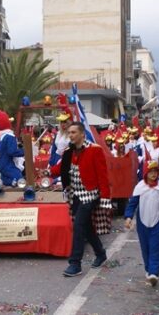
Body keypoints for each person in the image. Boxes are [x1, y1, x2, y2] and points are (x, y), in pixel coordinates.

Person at [50, 122, 110, 277]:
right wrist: (45, 171)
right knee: (87, 226)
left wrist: (105, 198)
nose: (70, 135)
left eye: (74, 132)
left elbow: (103, 176)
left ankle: (75, 263)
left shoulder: (95, 150)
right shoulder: (69, 151)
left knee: (78, 225)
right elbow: (60, 168)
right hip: (75, 194)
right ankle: (100, 253)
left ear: (82, 134)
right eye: (69, 132)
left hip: (91, 194)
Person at [125, 159, 159, 286]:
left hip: (158, 222)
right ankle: (148, 269)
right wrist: (128, 217)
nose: (154, 174)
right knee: (145, 247)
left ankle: (154, 273)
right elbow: (132, 203)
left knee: (155, 246)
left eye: (156, 171)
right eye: (151, 171)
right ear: (145, 173)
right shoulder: (140, 187)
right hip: (143, 222)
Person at [0, 110, 24, 186]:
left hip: (2, 165)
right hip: (8, 165)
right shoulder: (9, 136)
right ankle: (13, 183)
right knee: (19, 178)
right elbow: (11, 151)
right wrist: (24, 152)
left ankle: (10, 183)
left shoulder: (1, 138)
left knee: (5, 180)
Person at [49, 101, 72, 166]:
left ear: (69, 122)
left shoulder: (73, 134)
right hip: (56, 159)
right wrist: (52, 161)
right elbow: (54, 149)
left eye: (65, 122)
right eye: (61, 122)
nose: (63, 124)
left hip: (68, 160)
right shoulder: (58, 134)